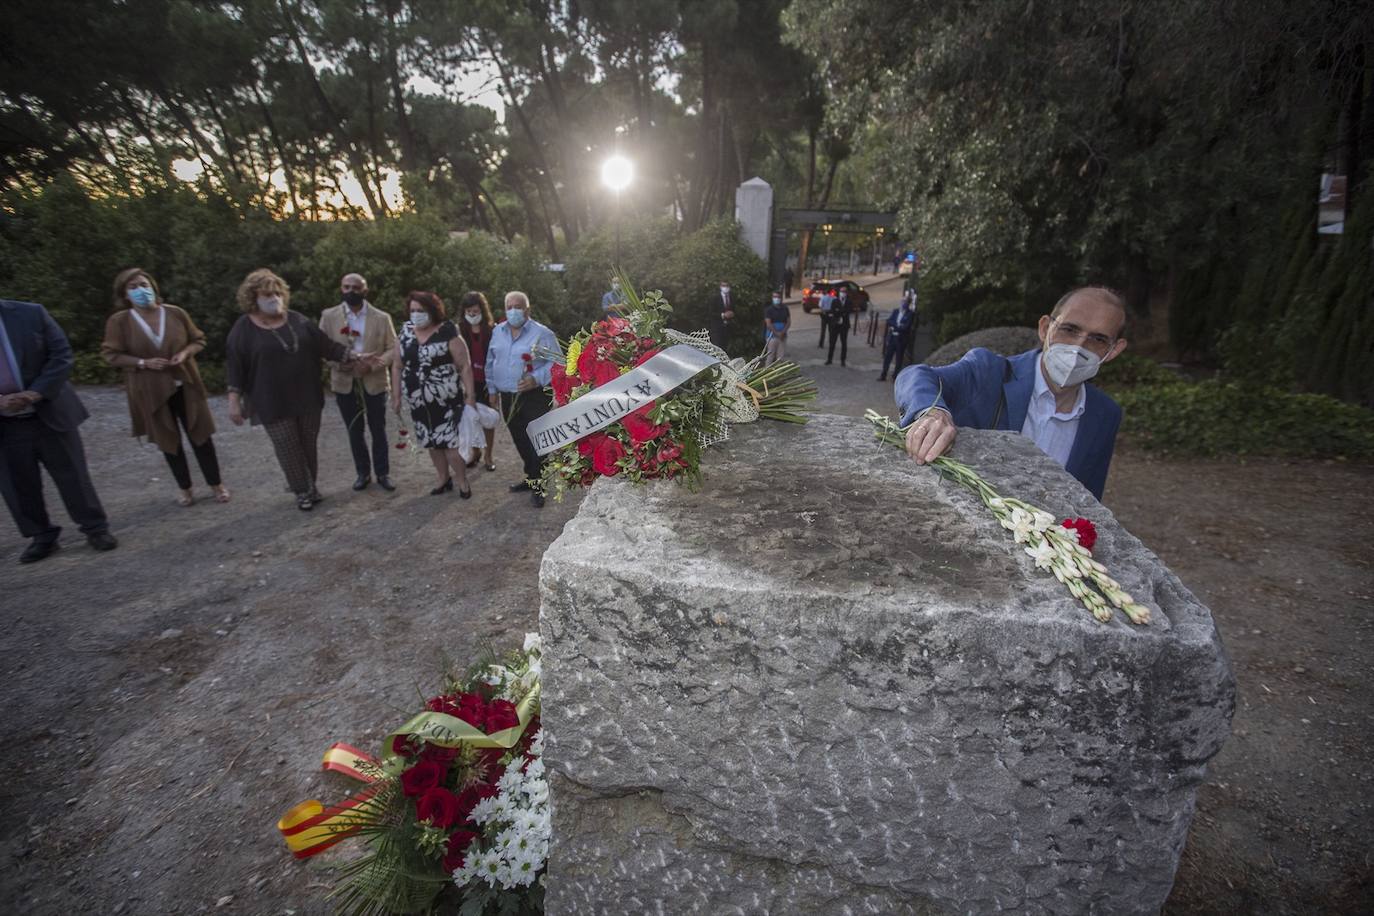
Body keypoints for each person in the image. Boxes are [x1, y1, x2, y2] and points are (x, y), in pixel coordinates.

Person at [896, 286, 1129, 500]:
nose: (1078, 347)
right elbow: (915, 376)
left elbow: (1088, 496)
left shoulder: (1105, 415)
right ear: (1045, 328)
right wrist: (933, 412)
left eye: (1098, 339)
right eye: (1069, 329)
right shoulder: (989, 372)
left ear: (1113, 350)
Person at [225, 268, 364, 511]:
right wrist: (234, 400)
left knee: (308, 444)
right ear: (253, 297)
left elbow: (326, 345)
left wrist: (354, 355)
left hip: (307, 395)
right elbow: (236, 366)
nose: (274, 298)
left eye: (278, 293)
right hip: (271, 400)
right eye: (268, 294)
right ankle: (302, 491)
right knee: (287, 446)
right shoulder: (243, 328)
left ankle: (310, 485)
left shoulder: (298, 320)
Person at [0, 298, 117, 562]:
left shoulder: (30, 313)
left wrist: (35, 393)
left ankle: (95, 528)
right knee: (18, 484)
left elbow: (61, 355)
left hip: (48, 411)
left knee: (73, 475)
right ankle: (41, 535)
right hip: (6, 426)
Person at [101, 268, 228, 507]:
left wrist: (185, 353)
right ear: (125, 294)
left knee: (200, 434)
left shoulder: (175, 313)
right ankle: (185, 488)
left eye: (144, 284)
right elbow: (111, 355)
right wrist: (142, 362)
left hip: (185, 384)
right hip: (151, 389)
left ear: (153, 287)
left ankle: (216, 484)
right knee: (169, 439)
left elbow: (198, 340)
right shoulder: (120, 321)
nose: (141, 290)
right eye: (133, 287)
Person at [390, 291, 477, 498]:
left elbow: (464, 366)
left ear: (432, 311)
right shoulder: (405, 333)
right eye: (412, 310)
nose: (416, 314)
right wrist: (396, 396)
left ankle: (462, 481)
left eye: (421, 310)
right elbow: (397, 366)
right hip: (418, 402)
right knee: (430, 442)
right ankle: (443, 478)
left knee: (451, 445)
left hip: (447, 402)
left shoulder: (447, 331)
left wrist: (470, 396)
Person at [319, 272, 397, 492]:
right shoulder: (329, 316)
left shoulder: (382, 317)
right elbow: (322, 348)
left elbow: (393, 348)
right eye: (346, 287)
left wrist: (373, 365)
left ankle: (383, 473)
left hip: (374, 381)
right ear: (341, 289)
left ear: (365, 290)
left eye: (355, 288)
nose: (351, 291)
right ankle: (363, 473)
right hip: (345, 381)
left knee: (378, 428)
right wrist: (340, 365)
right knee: (354, 429)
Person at [486, 291, 559, 508]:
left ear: (527, 310)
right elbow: (490, 361)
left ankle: (539, 486)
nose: (513, 311)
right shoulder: (497, 332)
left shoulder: (542, 333)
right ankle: (531, 476)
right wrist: (492, 389)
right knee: (519, 439)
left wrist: (536, 378)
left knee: (538, 441)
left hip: (534, 396)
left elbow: (558, 363)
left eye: (517, 306)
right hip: (508, 396)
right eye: (509, 307)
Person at [457, 291, 497, 472]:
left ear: (482, 310)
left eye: (475, 311)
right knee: (470, 418)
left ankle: (488, 455)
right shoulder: (459, 330)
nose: (472, 315)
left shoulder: (492, 330)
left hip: (487, 382)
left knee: (488, 419)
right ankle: (475, 452)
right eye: (469, 311)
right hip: (467, 382)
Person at [878, 293, 918, 382]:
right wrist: (898, 325)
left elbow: (906, 327)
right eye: (902, 301)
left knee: (899, 359)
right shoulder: (896, 311)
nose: (903, 303)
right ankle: (883, 374)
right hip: (892, 337)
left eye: (905, 302)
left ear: (908, 303)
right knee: (887, 357)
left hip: (901, 339)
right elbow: (889, 321)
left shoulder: (910, 314)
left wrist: (895, 326)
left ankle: (895, 376)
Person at [826, 286, 852, 366]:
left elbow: (848, 311)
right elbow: (833, 311)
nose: (843, 293)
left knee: (844, 343)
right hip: (835, 325)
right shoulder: (835, 300)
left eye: (844, 291)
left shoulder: (849, 301)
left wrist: (838, 311)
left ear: (846, 293)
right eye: (841, 291)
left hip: (844, 325)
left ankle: (843, 360)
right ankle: (829, 359)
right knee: (832, 343)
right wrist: (841, 312)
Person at [762, 290, 790, 366]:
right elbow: (768, 324)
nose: (776, 298)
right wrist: (777, 333)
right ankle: (767, 371)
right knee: (770, 356)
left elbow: (788, 322)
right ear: (772, 298)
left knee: (780, 357)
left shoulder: (785, 308)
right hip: (771, 337)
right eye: (775, 297)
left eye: (778, 297)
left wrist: (782, 332)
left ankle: (779, 371)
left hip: (782, 336)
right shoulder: (769, 310)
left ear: (781, 298)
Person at [708, 280, 734, 350]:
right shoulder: (715, 298)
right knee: (717, 347)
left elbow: (733, 309)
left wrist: (732, 314)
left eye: (727, 286)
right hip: (717, 327)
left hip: (727, 327)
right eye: (723, 286)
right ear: (720, 287)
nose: (725, 288)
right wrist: (723, 315)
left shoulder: (731, 297)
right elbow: (710, 312)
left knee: (725, 347)